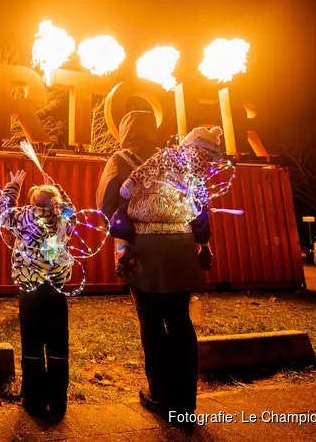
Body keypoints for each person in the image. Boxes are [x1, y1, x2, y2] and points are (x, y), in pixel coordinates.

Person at [96, 111, 204, 425]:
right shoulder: (171, 159)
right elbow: (197, 202)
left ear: (125, 131)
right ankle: (184, 406)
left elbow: (106, 206)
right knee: (181, 321)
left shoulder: (119, 160)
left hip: (145, 251)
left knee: (152, 322)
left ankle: (160, 397)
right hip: (182, 248)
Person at [0, 170, 76, 422]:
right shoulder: (65, 220)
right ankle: (59, 401)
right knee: (58, 346)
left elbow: (3, 211)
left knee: (31, 344)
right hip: (56, 289)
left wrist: (13, 186)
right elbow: (71, 208)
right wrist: (58, 188)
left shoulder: (23, 217)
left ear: (34, 202)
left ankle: (34, 400)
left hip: (30, 291)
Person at [119, 126, 225, 271]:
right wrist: (205, 206)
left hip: (156, 202)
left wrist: (131, 181)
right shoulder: (203, 163)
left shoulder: (170, 154)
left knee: (121, 214)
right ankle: (205, 248)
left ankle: (122, 251)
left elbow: (150, 167)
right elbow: (200, 187)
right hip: (183, 206)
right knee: (201, 218)